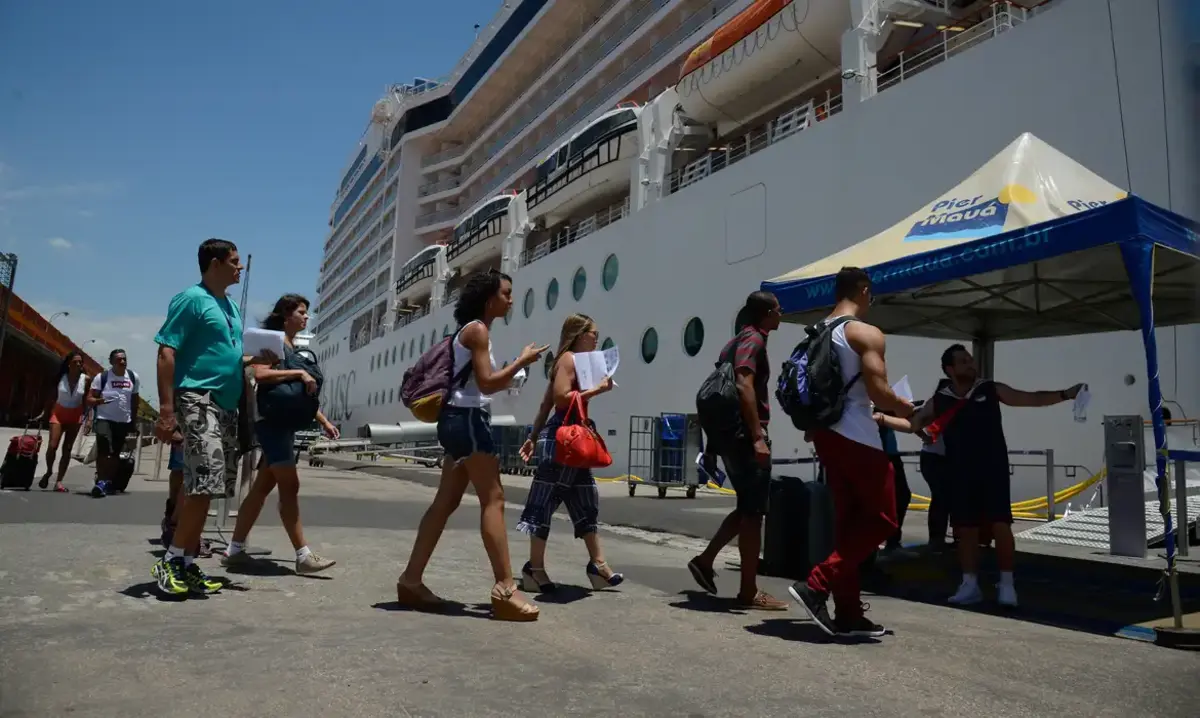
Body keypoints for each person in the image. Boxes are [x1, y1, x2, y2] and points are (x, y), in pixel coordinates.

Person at [395, 270, 549, 621]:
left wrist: (512, 370)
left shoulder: (469, 333)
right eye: (506, 294)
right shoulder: (478, 331)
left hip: (454, 420)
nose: (510, 300)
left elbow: (481, 383)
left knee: (445, 502)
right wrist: (521, 363)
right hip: (468, 420)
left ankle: (411, 580)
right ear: (489, 297)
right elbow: (487, 383)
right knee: (493, 499)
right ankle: (505, 588)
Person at [880, 344, 1082, 608]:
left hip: (993, 469)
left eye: (970, 360)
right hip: (959, 471)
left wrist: (1066, 394)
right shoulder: (940, 398)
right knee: (965, 529)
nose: (970, 364)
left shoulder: (990, 388)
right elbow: (913, 424)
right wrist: (881, 418)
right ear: (950, 369)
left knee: (1001, 525)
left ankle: (1007, 585)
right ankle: (969, 584)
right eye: (963, 361)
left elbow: (1031, 398)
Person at [788, 267, 914, 637]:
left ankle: (848, 613)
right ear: (863, 291)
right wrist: (910, 410)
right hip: (858, 435)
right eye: (870, 296)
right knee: (883, 519)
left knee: (850, 526)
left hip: (825, 435)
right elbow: (879, 394)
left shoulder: (816, 331)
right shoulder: (864, 333)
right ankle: (815, 584)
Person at [151, 238, 275, 598]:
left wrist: (258, 360)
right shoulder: (191, 299)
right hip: (196, 396)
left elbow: (230, 356)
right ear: (216, 263)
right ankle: (172, 561)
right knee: (204, 481)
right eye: (235, 262)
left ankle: (187, 565)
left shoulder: (230, 307)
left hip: (225, 404)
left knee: (208, 486)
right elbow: (166, 351)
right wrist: (166, 409)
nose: (241, 268)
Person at [222, 294, 340, 575]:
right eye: (301, 312)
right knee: (290, 487)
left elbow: (294, 396)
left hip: (284, 423)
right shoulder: (271, 340)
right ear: (286, 315)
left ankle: (234, 550)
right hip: (272, 423)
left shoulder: (291, 345)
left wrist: (321, 419)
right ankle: (303, 556)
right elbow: (260, 375)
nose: (306, 317)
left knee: (262, 488)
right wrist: (299, 373)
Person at [687, 291, 789, 611]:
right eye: (777, 309)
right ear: (767, 314)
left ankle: (705, 561)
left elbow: (726, 386)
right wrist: (758, 436)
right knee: (754, 512)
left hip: (731, 436)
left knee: (747, 506)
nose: (781, 313)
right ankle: (748, 592)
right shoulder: (753, 341)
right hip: (746, 436)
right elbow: (743, 383)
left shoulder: (733, 342)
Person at [516, 313, 622, 593]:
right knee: (544, 505)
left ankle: (597, 565)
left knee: (586, 501)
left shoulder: (578, 363)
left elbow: (544, 405)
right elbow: (562, 398)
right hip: (564, 442)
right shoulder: (567, 360)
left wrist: (532, 436)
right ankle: (534, 569)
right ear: (578, 334)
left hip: (574, 442)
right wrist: (597, 390)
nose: (596, 338)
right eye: (592, 333)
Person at [86, 349, 141, 498]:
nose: (122, 362)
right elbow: (89, 399)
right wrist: (99, 401)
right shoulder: (102, 377)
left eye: (124, 359)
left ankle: (106, 481)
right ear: (111, 362)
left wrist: (133, 423)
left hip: (124, 421)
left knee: (116, 454)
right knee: (105, 449)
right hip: (105, 419)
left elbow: (135, 401)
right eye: (118, 359)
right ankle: (102, 482)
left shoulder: (133, 377)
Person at [39, 351, 89, 492]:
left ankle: (59, 481)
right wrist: (44, 412)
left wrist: (89, 419)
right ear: (68, 364)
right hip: (58, 414)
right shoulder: (60, 377)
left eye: (80, 362)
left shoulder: (86, 380)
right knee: (53, 446)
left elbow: (87, 400)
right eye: (75, 362)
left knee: (67, 450)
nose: (78, 364)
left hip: (76, 415)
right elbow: (52, 396)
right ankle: (49, 471)